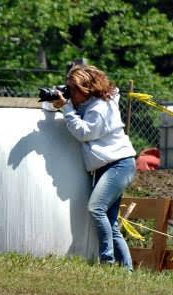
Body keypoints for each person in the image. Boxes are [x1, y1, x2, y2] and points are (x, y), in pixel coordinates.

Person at [53, 64, 137, 270]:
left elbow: (84, 133)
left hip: (119, 164)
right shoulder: (91, 104)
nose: (71, 94)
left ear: (87, 88)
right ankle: (127, 270)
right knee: (111, 223)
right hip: (107, 165)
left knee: (95, 208)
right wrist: (60, 102)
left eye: (74, 89)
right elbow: (77, 114)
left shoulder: (100, 108)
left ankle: (107, 262)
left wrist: (67, 109)